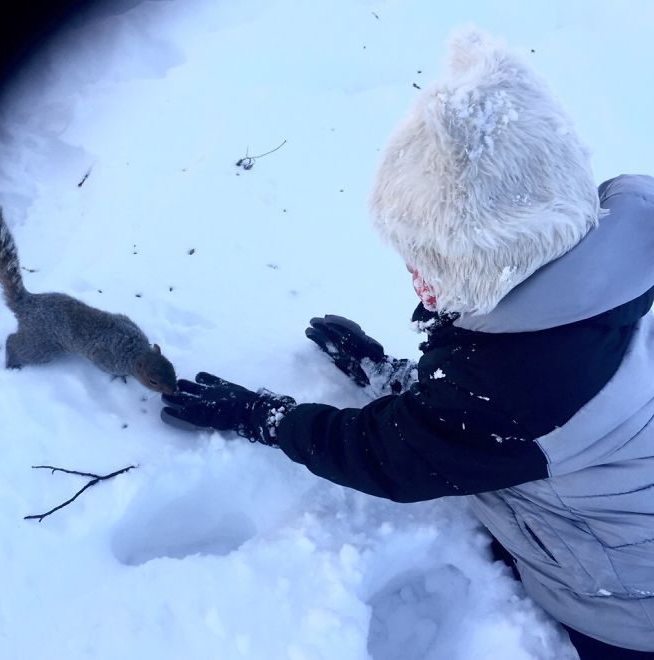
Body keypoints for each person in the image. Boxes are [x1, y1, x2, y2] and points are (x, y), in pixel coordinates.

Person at [160, 28, 654, 659]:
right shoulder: (613, 266)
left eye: (430, 263)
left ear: (497, 261)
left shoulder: (513, 387)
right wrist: (385, 373)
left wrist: (263, 416)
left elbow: (384, 455)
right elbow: (501, 409)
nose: (417, 282)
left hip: (625, 607)